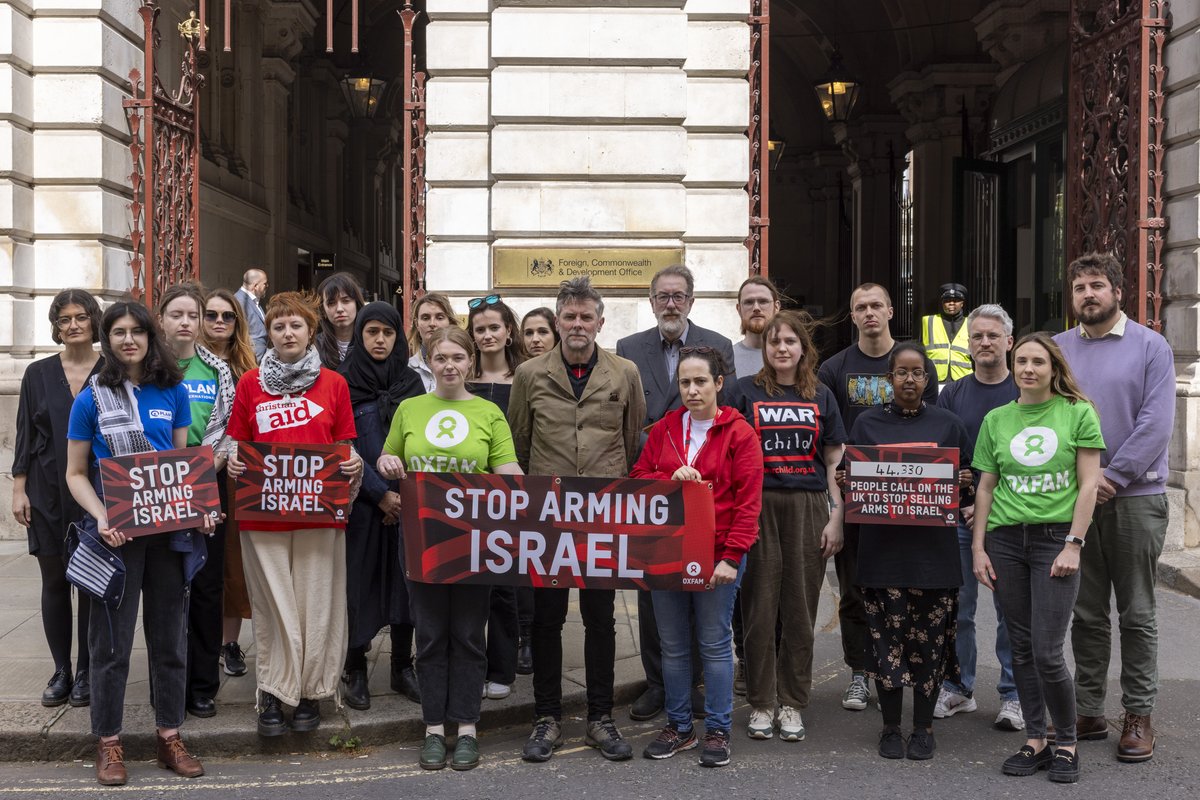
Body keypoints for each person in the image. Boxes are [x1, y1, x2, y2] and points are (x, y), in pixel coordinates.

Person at [64, 301, 210, 786]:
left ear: (151, 337)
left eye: (137, 332)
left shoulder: (173, 393)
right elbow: (75, 474)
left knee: (169, 638)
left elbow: (180, 464)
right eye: (118, 332)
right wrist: (102, 516)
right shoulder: (90, 400)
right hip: (116, 535)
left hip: (167, 533)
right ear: (107, 340)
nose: (129, 340)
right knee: (110, 645)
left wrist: (201, 508)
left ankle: (169, 736)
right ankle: (108, 743)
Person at [508, 276, 645, 763]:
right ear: (558, 320)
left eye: (587, 316)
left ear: (601, 322)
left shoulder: (625, 372)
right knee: (545, 619)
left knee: (600, 618)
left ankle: (600, 718)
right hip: (548, 513)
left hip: (604, 513)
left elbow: (633, 443)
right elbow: (520, 444)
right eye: (570, 316)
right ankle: (545, 717)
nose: (578, 325)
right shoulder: (529, 374)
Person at [376, 325, 522, 771]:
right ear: (429, 363)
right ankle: (434, 730)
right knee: (432, 634)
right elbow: (389, 458)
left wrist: (524, 486)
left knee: (468, 635)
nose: (449, 366)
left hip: (475, 540)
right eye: (440, 358)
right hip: (421, 539)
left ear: (470, 362)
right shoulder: (410, 409)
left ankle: (468, 728)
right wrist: (385, 462)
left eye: (458, 358)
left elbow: (509, 467)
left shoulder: (489, 413)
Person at [1053, 252, 1174, 762]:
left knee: (1137, 612)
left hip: (1135, 498)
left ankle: (1139, 714)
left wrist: (1110, 476)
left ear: (1118, 292)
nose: (1087, 294)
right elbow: (1048, 415)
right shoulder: (1058, 348)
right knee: (1085, 612)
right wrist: (1074, 484)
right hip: (1074, 501)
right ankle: (1088, 709)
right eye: (1080, 287)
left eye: (1097, 285)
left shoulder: (1151, 346)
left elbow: (1156, 422)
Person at [224, 291, 363, 738]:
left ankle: (309, 692)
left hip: (319, 516)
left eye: (296, 325)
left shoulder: (334, 385)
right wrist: (232, 461)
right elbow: (236, 443)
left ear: (311, 331)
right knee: (272, 607)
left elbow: (344, 444)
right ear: (270, 332)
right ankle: (273, 690)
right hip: (263, 517)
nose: (287, 333)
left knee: (315, 605)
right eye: (279, 326)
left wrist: (353, 463)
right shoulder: (250, 385)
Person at [972, 332, 1105, 783]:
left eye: (1038, 362)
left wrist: (1074, 543)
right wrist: (978, 547)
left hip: (1055, 540)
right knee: (1023, 649)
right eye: (1022, 361)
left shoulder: (1077, 412)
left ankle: (1065, 742)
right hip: (1006, 541)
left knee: (1048, 651)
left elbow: (1089, 484)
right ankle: (1035, 740)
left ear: (1053, 368)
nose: (1029, 369)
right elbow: (986, 487)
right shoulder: (996, 419)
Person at [632, 346, 764, 767]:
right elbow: (637, 478)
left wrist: (732, 557)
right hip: (667, 553)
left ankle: (719, 730)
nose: (692, 390)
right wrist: (667, 476)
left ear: (719, 383)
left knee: (713, 644)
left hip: (718, 556)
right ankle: (680, 726)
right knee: (672, 646)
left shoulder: (740, 433)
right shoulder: (665, 429)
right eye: (685, 382)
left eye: (700, 381)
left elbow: (748, 503)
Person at [616, 264, 735, 721]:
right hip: (656, 486)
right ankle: (657, 683)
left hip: (705, 490)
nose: (670, 303)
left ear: (691, 300)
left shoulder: (716, 346)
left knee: (702, 586)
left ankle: (698, 685)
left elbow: (729, 414)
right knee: (654, 590)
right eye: (662, 296)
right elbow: (628, 419)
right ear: (651, 301)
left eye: (678, 296)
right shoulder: (629, 348)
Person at [847, 341, 972, 762]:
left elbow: (969, 479)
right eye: (901, 372)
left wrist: (964, 482)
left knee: (929, 646)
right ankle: (889, 727)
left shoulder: (949, 425)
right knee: (885, 644)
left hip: (934, 558)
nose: (909, 380)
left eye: (918, 372)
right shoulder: (865, 424)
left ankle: (923, 727)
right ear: (889, 379)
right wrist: (850, 484)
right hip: (881, 556)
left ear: (928, 378)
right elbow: (851, 476)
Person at [818, 283, 939, 713]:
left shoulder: (915, 363)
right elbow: (829, 437)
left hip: (909, 498)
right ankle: (859, 673)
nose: (869, 313)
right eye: (860, 307)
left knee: (910, 591)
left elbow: (934, 427)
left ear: (890, 311)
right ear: (852, 316)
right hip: (856, 500)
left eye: (876, 305)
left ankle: (906, 670)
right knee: (855, 590)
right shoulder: (833, 369)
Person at [733, 311, 847, 743]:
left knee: (800, 611)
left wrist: (836, 516)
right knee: (758, 610)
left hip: (807, 505)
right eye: (773, 342)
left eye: (789, 342)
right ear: (764, 349)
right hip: (758, 506)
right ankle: (761, 703)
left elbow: (835, 460)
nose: (781, 348)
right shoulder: (744, 392)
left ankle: (793, 703)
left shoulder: (821, 395)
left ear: (804, 348)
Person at [933, 304, 1024, 731]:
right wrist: (965, 501)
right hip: (957, 518)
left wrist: (985, 506)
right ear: (967, 344)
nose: (983, 343)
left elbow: (1029, 463)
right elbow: (941, 455)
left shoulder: (1025, 391)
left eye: (992, 336)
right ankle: (958, 688)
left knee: (1011, 611)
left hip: (1008, 521)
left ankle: (1014, 696)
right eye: (976, 337)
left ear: (1009, 341)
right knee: (959, 609)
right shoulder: (951, 394)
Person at [12, 289, 102, 709]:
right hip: (46, 489)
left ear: (92, 320)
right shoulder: (37, 373)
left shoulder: (112, 369)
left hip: (97, 489)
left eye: (80, 317)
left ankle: (86, 670)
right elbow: (26, 437)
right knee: (54, 580)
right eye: (64, 319)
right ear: (56, 326)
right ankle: (61, 670)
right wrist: (18, 489)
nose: (73, 326)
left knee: (90, 583)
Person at [337, 302, 425, 712]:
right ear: (359, 335)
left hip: (406, 501)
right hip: (361, 502)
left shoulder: (412, 384)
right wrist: (378, 492)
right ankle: (355, 665)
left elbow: (424, 442)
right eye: (371, 332)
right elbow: (342, 445)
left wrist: (402, 495)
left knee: (405, 581)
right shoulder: (342, 382)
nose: (379, 340)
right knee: (360, 582)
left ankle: (402, 665)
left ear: (398, 337)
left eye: (387, 333)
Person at [157, 284, 237, 720]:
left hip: (207, 480)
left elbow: (228, 426)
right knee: (166, 588)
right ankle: (167, 681)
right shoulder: (147, 368)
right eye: (177, 314)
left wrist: (214, 461)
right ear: (163, 320)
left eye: (194, 314)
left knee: (206, 586)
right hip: (159, 487)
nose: (186, 322)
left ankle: (204, 685)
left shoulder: (219, 370)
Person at [465, 294, 527, 701]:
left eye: (494, 327)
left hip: (509, 497)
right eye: (480, 329)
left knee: (505, 587)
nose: (487, 335)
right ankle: (470, 666)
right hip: (463, 499)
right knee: (466, 586)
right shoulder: (459, 377)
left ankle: (502, 669)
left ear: (508, 332)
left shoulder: (526, 377)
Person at [200, 287, 258, 679]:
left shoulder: (250, 367)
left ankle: (229, 643)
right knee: (198, 559)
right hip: (194, 469)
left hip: (237, 472)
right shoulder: (183, 364)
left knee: (233, 562)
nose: (219, 322)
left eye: (227, 316)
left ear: (238, 322)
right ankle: (197, 638)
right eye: (212, 315)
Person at [515, 306, 559, 672]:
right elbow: (520, 437)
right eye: (528, 333)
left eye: (542, 332)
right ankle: (524, 637)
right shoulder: (523, 376)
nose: (535, 340)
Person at [921, 283, 972, 384]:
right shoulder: (928, 321)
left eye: (956, 300)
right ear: (942, 302)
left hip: (964, 381)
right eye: (947, 300)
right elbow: (917, 352)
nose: (951, 303)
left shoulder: (971, 323)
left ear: (962, 303)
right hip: (934, 381)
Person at [732, 276, 781, 379]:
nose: (756, 308)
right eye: (749, 302)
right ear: (739, 309)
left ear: (776, 307)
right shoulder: (726, 359)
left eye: (763, 301)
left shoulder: (791, 356)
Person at [407, 292, 457, 391]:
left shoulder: (463, 367)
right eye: (425, 318)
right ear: (417, 324)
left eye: (439, 317)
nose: (432, 323)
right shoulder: (407, 369)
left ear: (450, 322)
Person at [315, 271, 366, 370]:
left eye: (346, 301)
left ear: (357, 304)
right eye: (331, 303)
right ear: (323, 311)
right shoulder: (314, 348)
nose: (339, 309)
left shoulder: (370, 343)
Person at [236, 268, 269, 360]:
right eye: (265, 284)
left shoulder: (254, 301)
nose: (267, 286)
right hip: (249, 360)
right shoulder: (239, 302)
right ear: (256, 286)